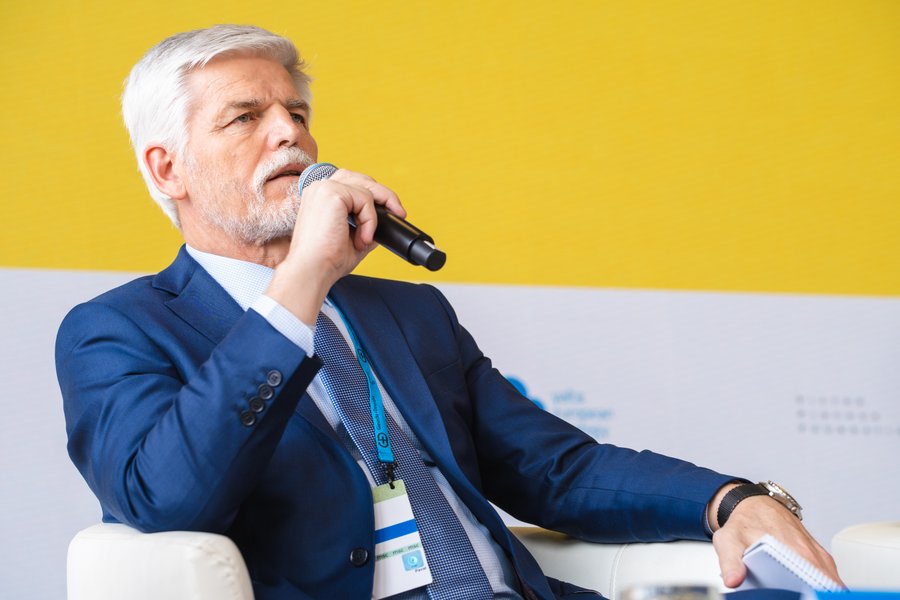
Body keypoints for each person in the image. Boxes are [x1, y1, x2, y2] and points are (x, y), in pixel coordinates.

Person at [56, 24, 841, 600]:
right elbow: (169, 498)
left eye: (296, 112)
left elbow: (554, 469)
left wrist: (729, 499)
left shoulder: (407, 313)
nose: (289, 133)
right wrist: (300, 284)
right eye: (245, 117)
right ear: (168, 169)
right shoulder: (116, 331)